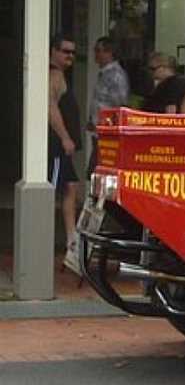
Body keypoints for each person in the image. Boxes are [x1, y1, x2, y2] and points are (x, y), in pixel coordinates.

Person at [48, 33, 83, 272]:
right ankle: (45, 239)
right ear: (53, 51)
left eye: (72, 52)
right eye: (65, 51)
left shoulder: (61, 75)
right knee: (54, 190)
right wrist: (65, 137)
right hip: (56, 145)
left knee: (70, 187)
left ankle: (72, 242)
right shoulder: (54, 75)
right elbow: (49, 107)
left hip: (62, 146)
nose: (69, 55)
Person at [87, 37, 129, 173]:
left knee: (102, 167)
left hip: (107, 130)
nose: (96, 55)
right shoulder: (104, 74)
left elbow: (119, 103)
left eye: (99, 51)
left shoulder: (115, 75)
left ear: (109, 53)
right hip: (99, 129)